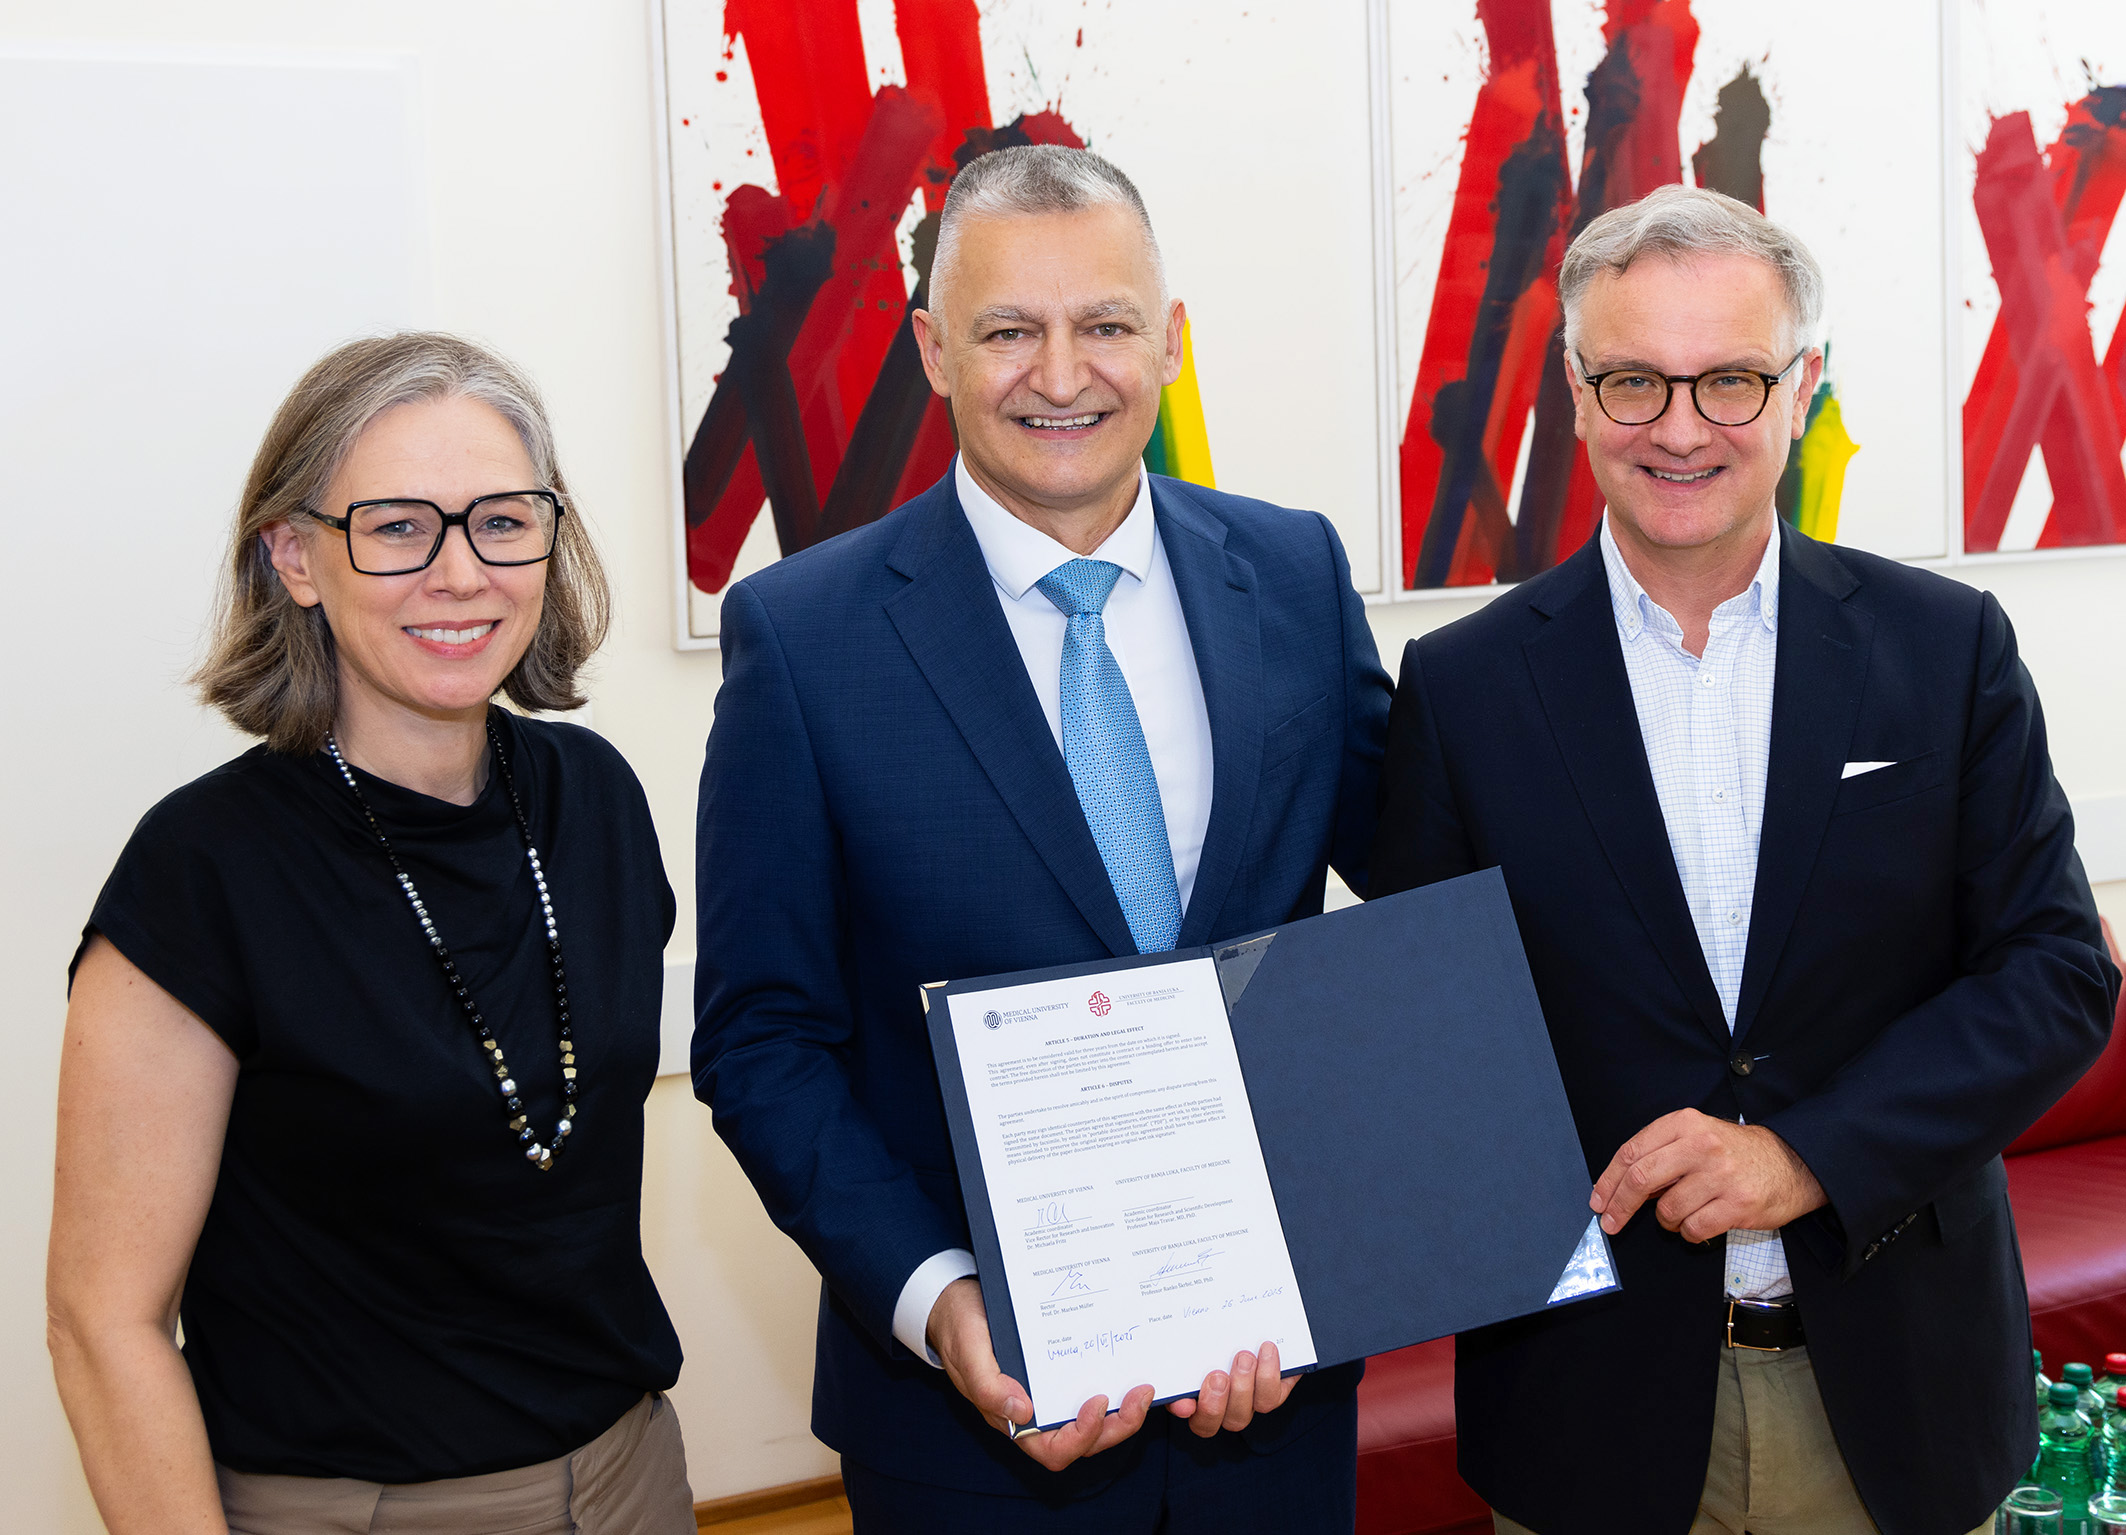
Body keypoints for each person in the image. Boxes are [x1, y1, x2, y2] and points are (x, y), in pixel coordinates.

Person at [1370, 183, 2121, 1535]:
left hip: (1898, 1392)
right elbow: (1423, 1039)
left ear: (1800, 386)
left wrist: (1805, 1153)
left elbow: (2056, 971)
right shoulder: (1461, 687)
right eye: (1631, 381)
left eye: (1728, 379)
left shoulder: (1943, 648)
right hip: (1584, 1409)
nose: (1677, 428)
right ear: (1575, 393)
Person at [692, 145, 1392, 1530]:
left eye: (1105, 324)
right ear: (932, 350)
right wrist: (938, 1296)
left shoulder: (1294, 575)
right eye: (1008, 329)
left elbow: (1428, 886)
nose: (1059, 374)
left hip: (1275, 1387)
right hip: (971, 1431)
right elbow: (762, 1037)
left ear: (1170, 341)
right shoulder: (805, 636)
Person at [47, 333, 693, 1535]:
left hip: (630, 1478)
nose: (460, 572)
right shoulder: (203, 868)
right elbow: (103, 1320)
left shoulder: (595, 797)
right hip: (354, 1510)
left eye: (501, 521)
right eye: (397, 527)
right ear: (295, 556)